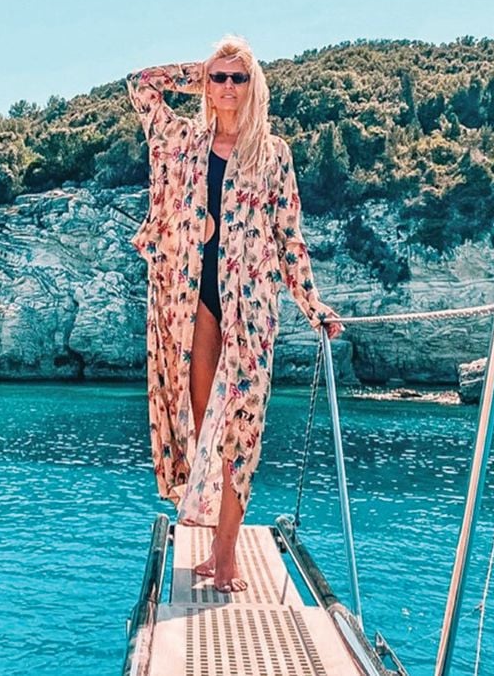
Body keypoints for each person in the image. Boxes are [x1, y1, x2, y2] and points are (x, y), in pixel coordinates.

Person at [126, 35, 343, 592]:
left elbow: (289, 237)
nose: (226, 86)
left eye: (237, 77)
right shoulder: (184, 142)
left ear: (253, 86)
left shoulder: (272, 153)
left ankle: (226, 553)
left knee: (242, 430)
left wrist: (311, 303)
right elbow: (142, 85)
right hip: (193, 300)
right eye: (218, 77)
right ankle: (213, 538)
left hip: (251, 304)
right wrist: (197, 71)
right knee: (205, 425)